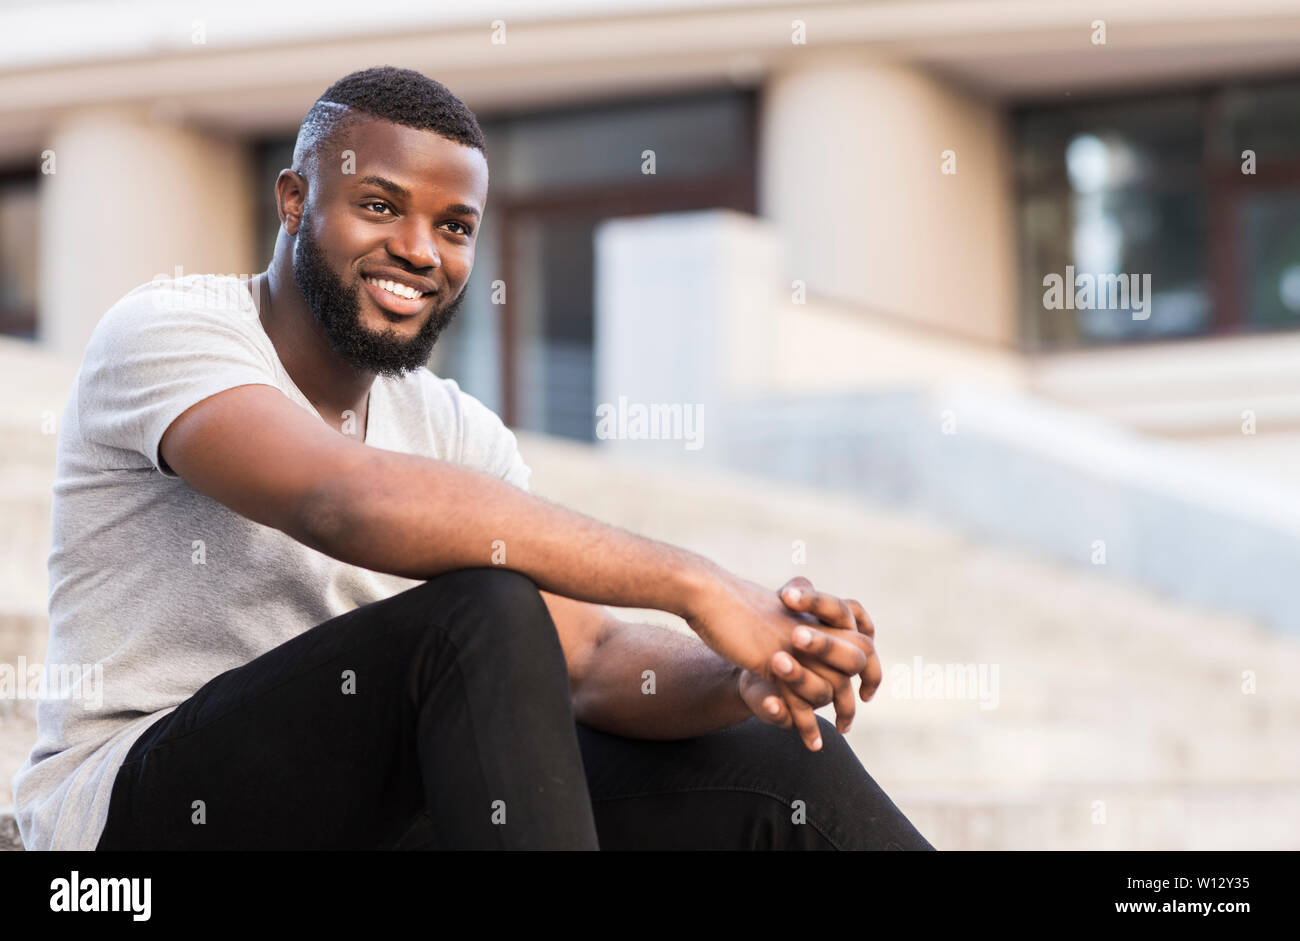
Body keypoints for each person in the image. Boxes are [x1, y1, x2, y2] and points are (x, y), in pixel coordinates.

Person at [12, 66, 932, 851]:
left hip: (364, 811)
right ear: (294, 200)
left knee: (771, 761)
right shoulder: (173, 328)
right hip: (130, 829)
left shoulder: (452, 426)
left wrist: (741, 675)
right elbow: (342, 498)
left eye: (454, 226)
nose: (418, 250)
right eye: (380, 206)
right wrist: (693, 581)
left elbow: (593, 655)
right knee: (482, 610)